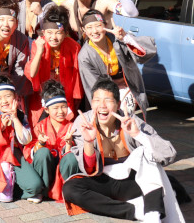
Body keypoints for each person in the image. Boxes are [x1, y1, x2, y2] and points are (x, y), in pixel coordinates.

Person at [63, 79, 183, 222]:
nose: (102, 105)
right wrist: (88, 141)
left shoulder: (131, 121)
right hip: (103, 180)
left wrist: (138, 134)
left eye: (108, 100)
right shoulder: (83, 122)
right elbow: (88, 169)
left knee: (145, 155)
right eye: (97, 100)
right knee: (70, 189)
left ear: (118, 104)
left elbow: (168, 154)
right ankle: (136, 211)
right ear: (91, 103)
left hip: (132, 181)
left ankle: (153, 214)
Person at [0, 76, 43, 203]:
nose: (4, 101)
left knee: (35, 186)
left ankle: (12, 187)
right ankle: (3, 186)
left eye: (7, 96)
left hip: (14, 154)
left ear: (15, 97)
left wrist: (15, 118)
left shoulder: (20, 114)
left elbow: (26, 140)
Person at [78, 9, 156, 118]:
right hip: (107, 95)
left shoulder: (117, 39)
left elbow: (144, 52)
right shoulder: (85, 56)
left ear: (105, 25)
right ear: (83, 30)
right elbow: (93, 87)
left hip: (129, 88)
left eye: (98, 26)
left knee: (131, 121)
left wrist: (125, 38)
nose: (94, 31)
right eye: (89, 27)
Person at [22, 81, 80, 202]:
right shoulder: (40, 126)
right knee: (42, 152)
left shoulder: (72, 126)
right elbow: (30, 153)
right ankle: (41, 191)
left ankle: (67, 190)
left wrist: (69, 143)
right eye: (55, 108)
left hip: (62, 167)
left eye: (63, 106)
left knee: (71, 157)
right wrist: (40, 143)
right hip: (46, 168)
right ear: (47, 110)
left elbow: (70, 158)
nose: (61, 111)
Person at [25, 5, 82, 122]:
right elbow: (32, 73)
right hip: (42, 95)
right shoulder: (38, 44)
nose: (53, 37)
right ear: (43, 32)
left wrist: (75, 100)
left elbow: (77, 79)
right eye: (49, 33)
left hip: (65, 95)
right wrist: (39, 51)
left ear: (65, 33)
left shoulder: (74, 47)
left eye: (58, 33)